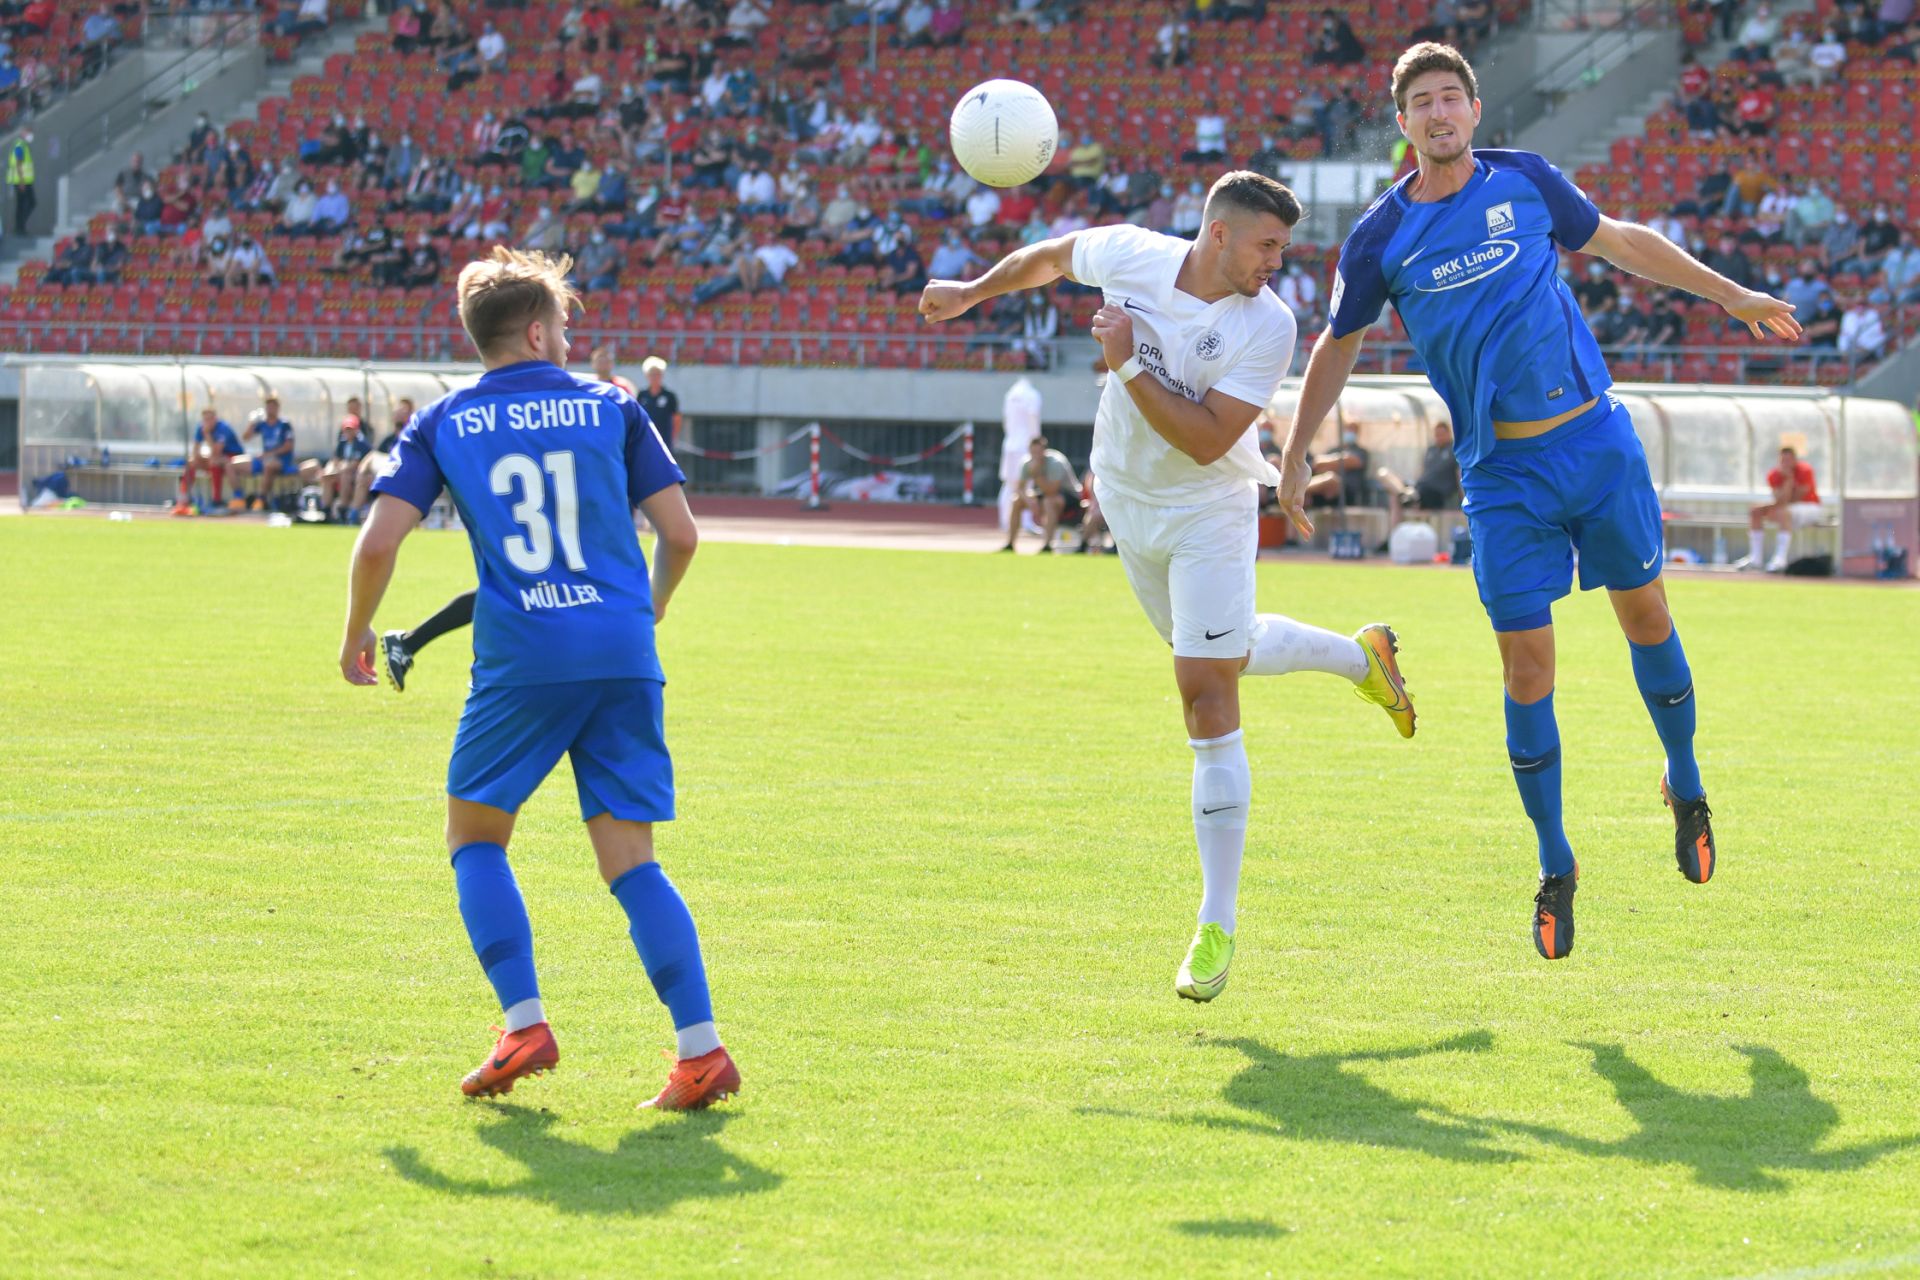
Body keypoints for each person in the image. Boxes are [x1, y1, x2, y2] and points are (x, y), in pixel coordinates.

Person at [1277, 42, 1799, 960]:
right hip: (1502, 478)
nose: (1438, 114)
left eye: (1452, 98)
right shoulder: (1379, 238)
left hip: (1595, 445)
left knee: (1647, 616)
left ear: (1475, 111)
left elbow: (1623, 241)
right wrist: (1292, 456)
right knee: (1526, 671)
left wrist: (1730, 294)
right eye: (1421, 104)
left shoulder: (1527, 181)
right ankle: (1556, 861)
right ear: (1402, 125)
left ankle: (1685, 781)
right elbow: (1336, 344)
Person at [920, 170, 1417, 1003]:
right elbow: (1047, 258)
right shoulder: (1133, 255)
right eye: (1267, 245)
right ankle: (1360, 657)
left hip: (1208, 507)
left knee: (1204, 693)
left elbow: (1206, 440)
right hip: (1124, 499)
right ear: (1218, 234)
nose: (1277, 262)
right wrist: (972, 290)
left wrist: (1127, 365)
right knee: (1229, 652)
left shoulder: (1268, 324)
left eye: (1284, 249)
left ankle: (1216, 921)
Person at [341, 246, 737, 1111]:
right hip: (622, 652)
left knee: (476, 840)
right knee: (632, 862)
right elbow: (681, 536)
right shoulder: (614, 407)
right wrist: (653, 609)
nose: (566, 337)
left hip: (524, 659)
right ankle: (700, 1050)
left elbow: (377, 543)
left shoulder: (442, 420)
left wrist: (357, 632)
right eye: (561, 324)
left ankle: (524, 1023)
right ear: (534, 328)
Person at [999, 435, 1084, 552]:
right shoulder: (1026, 463)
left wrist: (1036, 474)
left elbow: (1052, 491)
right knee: (1016, 500)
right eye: (1033, 452)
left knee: (1049, 502)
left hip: (1070, 496)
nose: (1036, 455)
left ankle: (1048, 545)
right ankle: (1010, 543)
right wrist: (1030, 502)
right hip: (1046, 494)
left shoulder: (1055, 463)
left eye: (1039, 452)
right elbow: (1020, 488)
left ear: (1045, 451)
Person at [1745, 443, 1821, 572]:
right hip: (1785, 507)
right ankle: (1755, 558)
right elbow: (1780, 499)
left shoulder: (1805, 470)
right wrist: (1786, 482)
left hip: (1809, 507)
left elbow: (1795, 498)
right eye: (1782, 460)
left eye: (1788, 460)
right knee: (1755, 511)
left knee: (1783, 512)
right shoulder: (1774, 474)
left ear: (1795, 459)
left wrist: (1789, 479)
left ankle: (1780, 559)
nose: (1785, 463)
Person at [1375, 419, 1460, 528]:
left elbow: (1459, 476)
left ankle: (1407, 499)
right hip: (1419, 487)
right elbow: (1423, 472)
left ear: (1448, 433)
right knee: (1384, 474)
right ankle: (1404, 497)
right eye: (1437, 434)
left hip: (1435, 492)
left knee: (1407, 498)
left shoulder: (1454, 451)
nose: (1439, 437)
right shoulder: (1431, 450)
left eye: (1442, 434)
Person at [229, 396, 299, 511]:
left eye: (273, 407)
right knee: (231, 464)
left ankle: (261, 499)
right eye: (268, 407)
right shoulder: (262, 424)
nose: (270, 409)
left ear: (277, 408)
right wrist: (251, 422)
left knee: (269, 465)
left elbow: (288, 446)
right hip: (265, 458)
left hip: (281, 461)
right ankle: (239, 498)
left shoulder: (284, 424)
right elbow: (245, 437)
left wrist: (269, 454)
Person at [173, 408, 243, 514]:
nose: (208, 422)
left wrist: (207, 434)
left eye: (210, 419)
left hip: (233, 456)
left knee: (214, 461)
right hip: (216, 457)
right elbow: (195, 450)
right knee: (191, 462)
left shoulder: (223, 428)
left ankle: (217, 500)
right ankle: (183, 499)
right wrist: (198, 458)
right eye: (205, 419)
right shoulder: (201, 427)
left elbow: (216, 451)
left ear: (216, 418)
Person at [997, 374, 1042, 533]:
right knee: (1026, 485)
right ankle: (1026, 522)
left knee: (1009, 485)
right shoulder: (1033, 395)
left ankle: (1005, 522)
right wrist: (1036, 443)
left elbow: (1005, 420)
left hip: (1010, 443)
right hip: (1025, 445)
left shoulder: (1010, 394)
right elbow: (1033, 419)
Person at [636, 356, 683, 447]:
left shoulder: (669, 396)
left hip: (664, 439)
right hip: (646, 438)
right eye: (652, 374)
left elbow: (676, 418)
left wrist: (674, 437)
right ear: (647, 375)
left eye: (657, 374)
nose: (654, 377)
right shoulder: (642, 395)